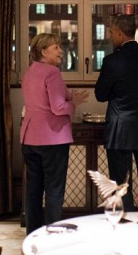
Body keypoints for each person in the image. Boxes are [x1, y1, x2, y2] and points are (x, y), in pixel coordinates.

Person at [21, 33, 89, 235]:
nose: (61, 51)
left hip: (29, 137)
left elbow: (44, 99)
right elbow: (59, 107)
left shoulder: (29, 72)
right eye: (56, 47)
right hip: (52, 139)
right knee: (54, 191)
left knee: (33, 191)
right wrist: (73, 104)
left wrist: (70, 97)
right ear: (43, 51)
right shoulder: (52, 73)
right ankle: (52, 235)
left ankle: (32, 235)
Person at [95, 14, 138, 210]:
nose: (110, 37)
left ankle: (125, 219)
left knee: (121, 182)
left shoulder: (112, 61)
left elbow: (100, 94)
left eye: (112, 33)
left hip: (119, 128)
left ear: (120, 33)